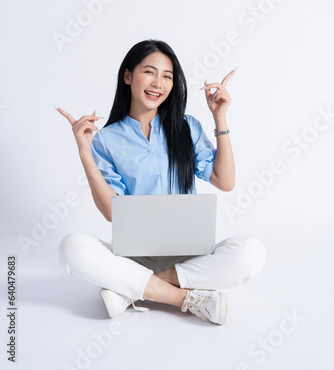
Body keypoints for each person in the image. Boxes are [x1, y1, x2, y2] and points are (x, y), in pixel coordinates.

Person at [56, 39, 266, 325]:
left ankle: (136, 289)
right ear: (128, 76)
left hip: (189, 259)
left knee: (252, 252)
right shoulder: (106, 139)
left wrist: (220, 117)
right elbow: (110, 212)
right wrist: (85, 153)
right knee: (72, 248)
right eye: (149, 72)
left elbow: (225, 181)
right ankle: (186, 299)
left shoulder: (186, 126)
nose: (158, 83)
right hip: (133, 257)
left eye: (167, 76)